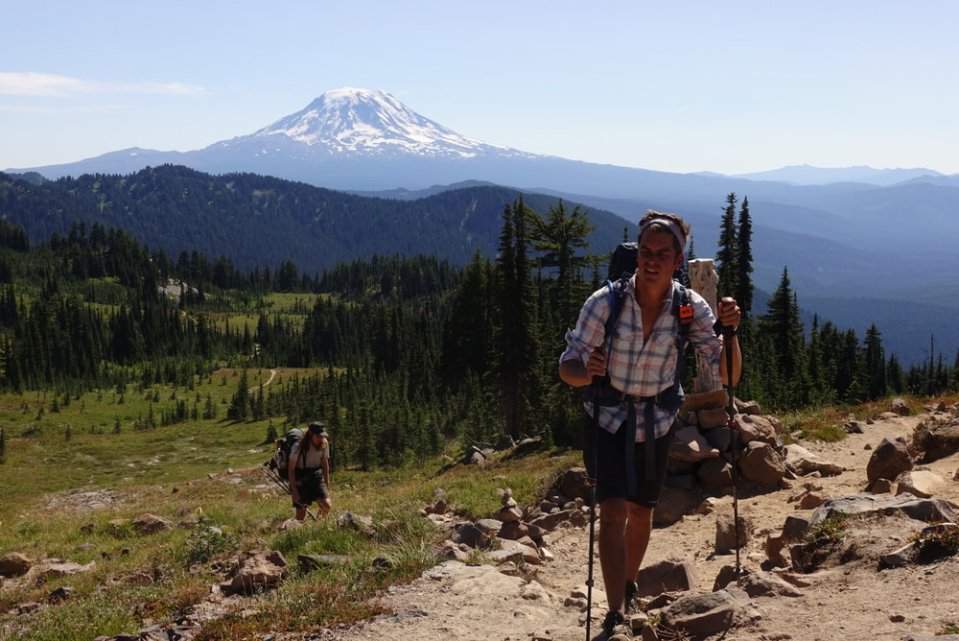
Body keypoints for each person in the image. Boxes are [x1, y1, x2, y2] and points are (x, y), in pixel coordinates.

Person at [559, 210, 741, 640]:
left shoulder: (688, 307)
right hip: (608, 417)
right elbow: (568, 367)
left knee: (642, 511)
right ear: (637, 254)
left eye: (662, 253)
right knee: (613, 510)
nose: (651, 259)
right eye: (645, 251)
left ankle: (629, 584)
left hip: (657, 421)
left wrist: (731, 333)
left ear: (678, 259)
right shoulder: (605, 302)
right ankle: (615, 611)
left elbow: (728, 374)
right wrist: (589, 371)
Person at [287, 420, 332, 520]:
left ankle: (319, 525)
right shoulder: (298, 446)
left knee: (327, 506)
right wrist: (294, 493)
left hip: (316, 475)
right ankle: (296, 530)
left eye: (322, 436)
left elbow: (324, 464)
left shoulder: (324, 443)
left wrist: (326, 485)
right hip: (301, 477)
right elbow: (291, 470)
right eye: (318, 436)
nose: (321, 438)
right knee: (301, 512)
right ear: (311, 434)